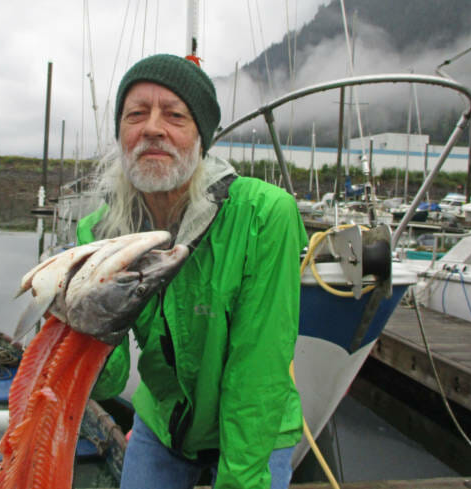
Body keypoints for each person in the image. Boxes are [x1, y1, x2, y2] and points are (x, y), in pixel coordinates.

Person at [76, 53, 308, 489]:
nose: (152, 128)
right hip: (164, 425)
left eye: (175, 115)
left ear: (201, 136)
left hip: (257, 428)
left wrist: (240, 481)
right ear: (120, 134)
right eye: (136, 114)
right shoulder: (100, 231)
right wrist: (79, 317)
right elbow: (106, 382)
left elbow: (257, 372)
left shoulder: (264, 215)